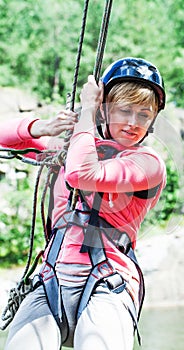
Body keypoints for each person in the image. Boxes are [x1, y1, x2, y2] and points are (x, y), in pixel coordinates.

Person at [0, 57, 166, 350]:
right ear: (106, 109)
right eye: (124, 111)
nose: (132, 123)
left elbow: (82, 174)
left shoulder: (148, 163)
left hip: (109, 283)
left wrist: (87, 111)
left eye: (144, 114)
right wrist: (41, 128)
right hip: (51, 279)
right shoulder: (71, 145)